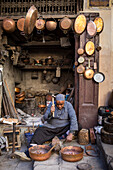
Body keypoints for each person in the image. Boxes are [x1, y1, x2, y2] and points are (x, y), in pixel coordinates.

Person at [14, 94, 78, 161]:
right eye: (58, 104)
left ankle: (62, 136)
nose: (59, 106)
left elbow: (73, 118)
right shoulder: (51, 104)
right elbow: (45, 118)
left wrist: (71, 133)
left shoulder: (68, 105)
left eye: (61, 104)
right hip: (51, 128)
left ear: (64, 102)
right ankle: (28, 154)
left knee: (77, 125)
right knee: (39, 131)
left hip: (63, 127)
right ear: (55, 102)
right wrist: (50, 112)